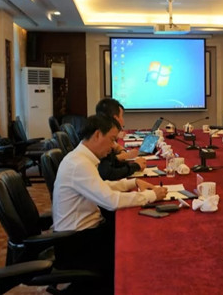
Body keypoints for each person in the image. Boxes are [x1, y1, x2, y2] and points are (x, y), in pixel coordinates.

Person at [52, 114, 167, 290]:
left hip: (82, 235)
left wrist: (133, 183)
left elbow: (101, 186)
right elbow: (111, 201)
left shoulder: (81, 158)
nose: (114, 146)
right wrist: (151, 196)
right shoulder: (79, 164)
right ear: (98, 134)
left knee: (135, 235)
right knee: (134, 249)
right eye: (112, 139)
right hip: (76, 244)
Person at [95, 98, 146, 180]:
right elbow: (108, 172)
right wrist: (135, 166)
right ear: (115, 118)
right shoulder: (101, 137)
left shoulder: (100, 131)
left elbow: (111, 161)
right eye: (122, 116)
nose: (123, 120)